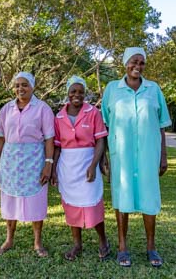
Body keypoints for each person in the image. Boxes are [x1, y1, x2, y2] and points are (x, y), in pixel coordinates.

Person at [101, 47, 172, 267]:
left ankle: (151, 247)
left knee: (149, 199)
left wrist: (163, 157)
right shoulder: (112, 89)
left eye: (141, 63)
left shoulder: (154, 89)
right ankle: (123, 247)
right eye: (134, 61)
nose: (137, 66)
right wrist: (104, 157)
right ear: (125, 63)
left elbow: (161, 126)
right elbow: (104, 125)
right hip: (121, 155)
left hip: (148, 155)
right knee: (122, 198)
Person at [0, 71, 55, 258]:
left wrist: (48, 164)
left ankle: (37, 242)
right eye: (17, 85)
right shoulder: (6, 109)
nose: (20, 88)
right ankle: (9, 239)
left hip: (34, 160)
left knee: (36, 201)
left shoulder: (43, 108)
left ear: (32, 86)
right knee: (9, 200)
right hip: (10, 162)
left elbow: (50, 138)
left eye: (24, 84)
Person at [51, 75, 110, 261]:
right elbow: (58, 146)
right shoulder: (59, 116)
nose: (77, 95)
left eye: (81, 92)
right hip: (67, 166)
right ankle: (77, 244)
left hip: (87, 161)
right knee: (72, 206)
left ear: (85, 94)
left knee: (93, 204)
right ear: (67, 93)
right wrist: (53, 170)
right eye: (73, 91)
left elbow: (101, 140)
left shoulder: (93, 112)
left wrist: (94, 165)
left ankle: (103, 241)